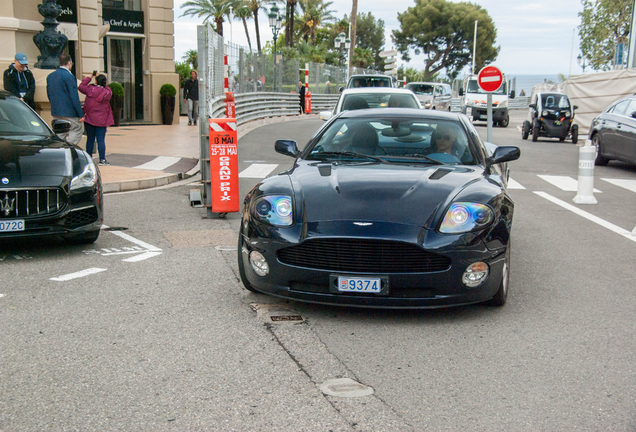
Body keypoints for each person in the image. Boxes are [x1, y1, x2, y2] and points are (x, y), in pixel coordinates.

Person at [47, 54, 84, 145]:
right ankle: (68, 147)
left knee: (60, 132)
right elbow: (74, 96)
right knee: (77, 128)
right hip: (68, 110)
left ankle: (60, 149)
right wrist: (80, 113)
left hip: (56, 109)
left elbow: (49, 93)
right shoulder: (69, 76)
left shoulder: (50, 76)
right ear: (69, 63)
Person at [78, 72, 114, 166]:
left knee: (90, 139)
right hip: (101, 120)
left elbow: (81, 86)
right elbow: (109, 89)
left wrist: (90, 76)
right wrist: (103, 83)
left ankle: (89, 159)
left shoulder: (90, 89)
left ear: (96, 81)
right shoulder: (107, 92)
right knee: (101, 139)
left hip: (89, 119)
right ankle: (102, 159)